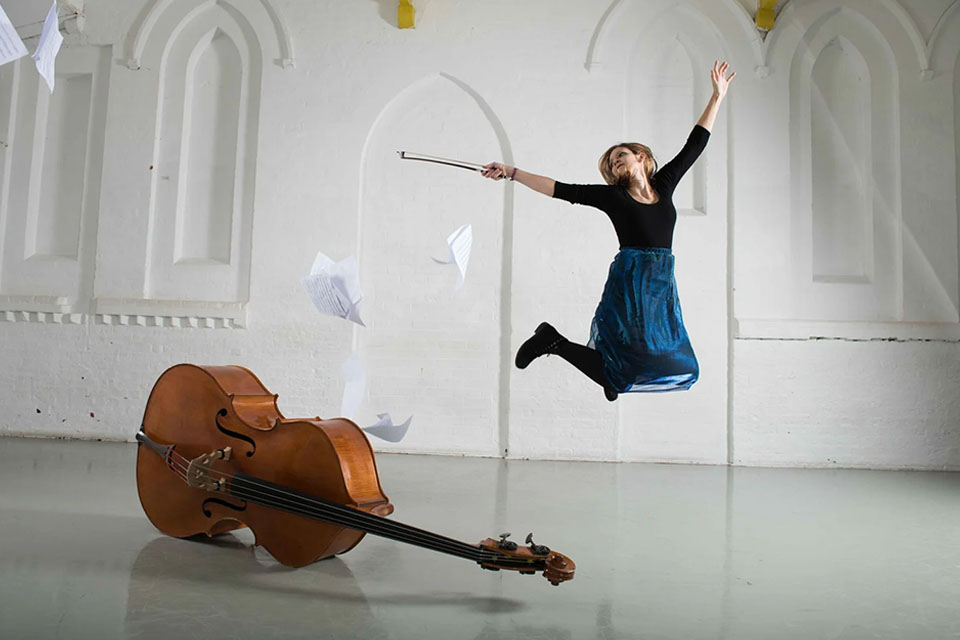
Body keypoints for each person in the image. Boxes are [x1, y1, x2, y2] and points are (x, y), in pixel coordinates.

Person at [482, 60, 735, 402]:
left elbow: (696, 144)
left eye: (620, 156)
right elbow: (560, 189)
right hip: (631, 281)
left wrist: (717, 97)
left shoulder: (665, 184)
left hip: (661, 283)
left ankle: (566, 348)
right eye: (611, 163)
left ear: (641, 157)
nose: (615, 163)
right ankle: (554, 344)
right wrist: (511, 171)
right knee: (629, 367)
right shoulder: (614, 197)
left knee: (675, 363)